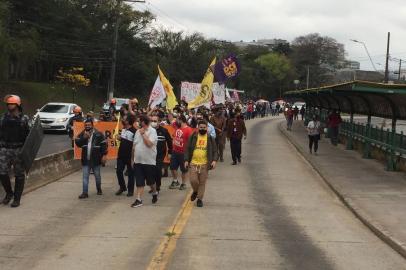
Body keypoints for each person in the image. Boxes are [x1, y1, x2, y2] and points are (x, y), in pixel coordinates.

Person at [0, 95, 30, 207]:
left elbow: (31, 136)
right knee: (2, 172)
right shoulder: (3, 118)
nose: (9, 106)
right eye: (8, 104)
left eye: (12, 104)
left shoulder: (24, 119)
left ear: (17, 105)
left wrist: (26, 152)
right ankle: (9, 194)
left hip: (18, 149)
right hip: (5, 149)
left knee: (19, 174)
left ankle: (17, 199)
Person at [184, 120, 218, 207]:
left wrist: (214, 160)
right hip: (193, 163)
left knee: (202, 182)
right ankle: (195, 191)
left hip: (205, 164)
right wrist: (186, 160)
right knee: (193, 180)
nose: (202, 129)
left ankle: (199, 199)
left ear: (207, 128)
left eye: (204, 127)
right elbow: (187, 149)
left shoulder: (210, 138)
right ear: (197, 128)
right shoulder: (193, 136)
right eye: (201, 127)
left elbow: (215, 151)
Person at [75, 119, 108, 199]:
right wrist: (84, 138)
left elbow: (104, 145)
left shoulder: (99, 134)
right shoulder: (82, 134)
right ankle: (85, 193)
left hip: (96, 160)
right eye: (86, 125)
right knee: (85, 177)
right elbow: (78, 144)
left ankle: (99, 189)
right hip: (86, 160)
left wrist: (104, 155)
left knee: (97, 176)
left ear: (92, 125)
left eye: (89, 125)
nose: (87, 126)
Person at [131, 115, 158, 208]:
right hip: (138, 161)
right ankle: (138, 199)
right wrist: (132, 159)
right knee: (139, 182)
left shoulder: (152, 131)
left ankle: (154, 192)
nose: (139, 123)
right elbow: (134, 146)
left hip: (149, 161)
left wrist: (143, 134)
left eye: (140, 122)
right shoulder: (138, 131)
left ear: (144, 122)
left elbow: (150, 144)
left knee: (150, 182)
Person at [169, 115, 194, 190]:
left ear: (181, 120)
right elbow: (171, 120)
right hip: (175, 151)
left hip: (183, 153)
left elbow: (191, 143)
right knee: (172, 167)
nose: (176, 121)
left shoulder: (189, 130)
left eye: (177, 120)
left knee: (184, 169)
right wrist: (170, 113)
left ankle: (183, 183)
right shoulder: (177, 127)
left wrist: (189, 155)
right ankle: (175, 181)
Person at [115, 115, 136, 196]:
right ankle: (122, 187)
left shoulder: (134, 131)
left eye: (124, 119)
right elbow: (124, 140)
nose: (123, 120)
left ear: (129, 121)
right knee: (118, 171)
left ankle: (130, 190)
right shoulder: (123, 129)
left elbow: (134, 144)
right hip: (121, 154)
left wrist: (133, 158)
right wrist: (120, 138)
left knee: (131, 173)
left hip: (130, 156)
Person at [151, 114, 172, 193]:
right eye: (152, 121)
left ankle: (157, 186)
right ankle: (153, 186)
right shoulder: (148, 130)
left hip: (160, 154)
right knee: (151, 171)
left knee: (158, 170)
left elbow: (170, 142)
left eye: (155, 121)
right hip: (150, 154)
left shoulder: (164, 131)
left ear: (159, 122)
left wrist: (170, 152)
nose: (153, 122)